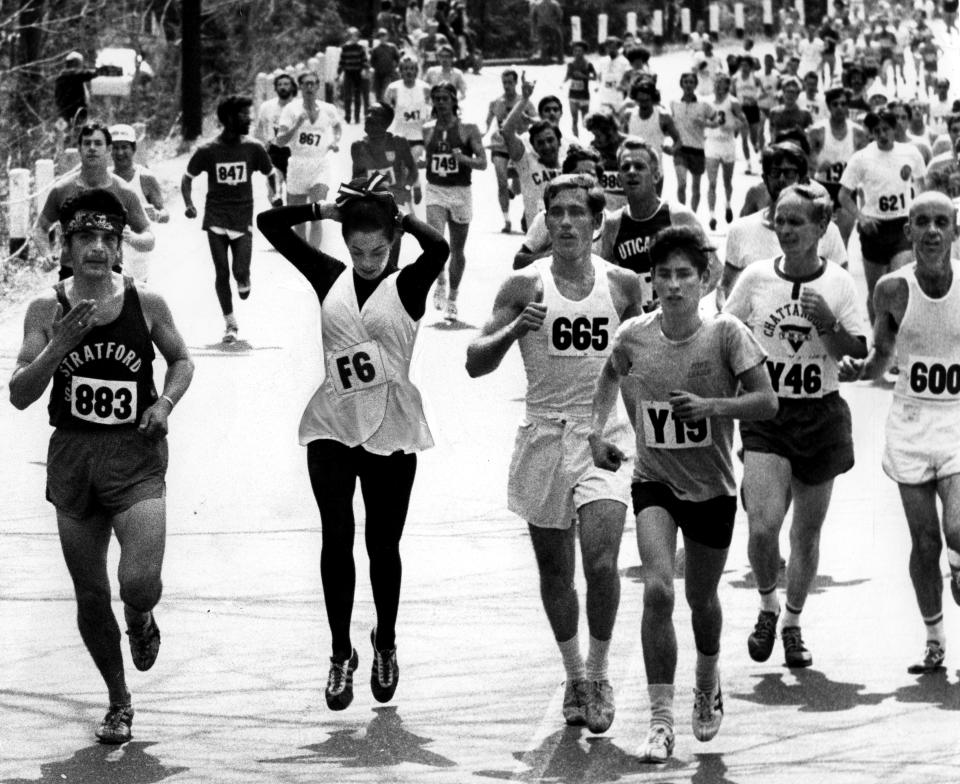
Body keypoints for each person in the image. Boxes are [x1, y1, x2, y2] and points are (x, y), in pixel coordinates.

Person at [257, 176, 450, 712]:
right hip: (333, 427)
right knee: (336, 535)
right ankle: (341, 652)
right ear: (345, 243)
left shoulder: (408, 285)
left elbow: (440, 246)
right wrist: (325, 208)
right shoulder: (330, 277)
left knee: (382, 546)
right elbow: (268, 224)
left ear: (392, 244)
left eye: (378, 250)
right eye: (358, 249)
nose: (367, 260)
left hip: (392, 430)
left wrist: (400, 214)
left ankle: (384, 641)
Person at [9, 188, 194, 744]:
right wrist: (57, 347)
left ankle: (140, 618)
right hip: (75, 459)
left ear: (118, 248)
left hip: (135, 455)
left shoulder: (147, 302)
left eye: (106, 238)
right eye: (83, 237)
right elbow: (20, 393)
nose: (95, 247)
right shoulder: (46, 309)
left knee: (137, 582)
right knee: (90, 593)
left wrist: (163, 404)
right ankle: (118, 700)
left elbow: (182, 359)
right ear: (65, 248)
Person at [591, 225, 777, 763]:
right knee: (657, 592)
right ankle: (660, 721)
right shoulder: (634, 334)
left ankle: (706, 678)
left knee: (700, 599)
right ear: (653, 281)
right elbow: (609, 375)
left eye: (684, 276)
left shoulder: (726, 334)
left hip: (712, 488)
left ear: (704, 280)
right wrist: (597, 432)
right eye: (664, 275)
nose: (673, 286)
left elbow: (767, 403)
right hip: (655, 482)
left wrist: (712, 407)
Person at [466, 174, 643, 736]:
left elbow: (638, 367)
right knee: (556, 574)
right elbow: (475, 359)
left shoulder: (622, 285)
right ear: (545, 222)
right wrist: (516, 327)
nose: (566, 223)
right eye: (556, 213)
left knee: (600, 562)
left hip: (604, 433)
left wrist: (651, 441)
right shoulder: (524, 284)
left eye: (577, 214)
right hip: (544, 434)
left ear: (596, 223)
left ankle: (599, 672)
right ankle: (573, 674)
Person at [724, 181, 868, 671]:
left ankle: (792, 622)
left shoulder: (838, 284)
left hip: (820, 413)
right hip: (768, 412)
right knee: (763, 528)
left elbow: (859, 350)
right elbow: (727, 333)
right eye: (779, 220)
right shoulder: (756, 277)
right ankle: (767, 605)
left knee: (805, 534)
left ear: (821, 228)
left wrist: (827, 325)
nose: (785, 230)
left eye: (797, 222)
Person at [839, 191, 960, 674]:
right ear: (908, 231)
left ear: (954, 231)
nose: (932, 231)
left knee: (957, 528)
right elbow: (881, 359)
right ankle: (934, 639)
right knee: (925, 541)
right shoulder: (891, 288)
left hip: (956, 418)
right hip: (910, 422)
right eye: (922, 222)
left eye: (942, 223)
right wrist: (856, 369)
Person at [182, 95, 277, 343]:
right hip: (215, 216)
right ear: (228, 118)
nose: (248, 119)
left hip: (242, 217)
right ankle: (230, 323)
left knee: (240, 272)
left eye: (249, 115)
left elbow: (270, 173)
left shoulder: (253, 147)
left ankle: (244, 278)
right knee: (221, 271)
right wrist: (189, 204)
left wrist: (274, 195)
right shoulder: (208, 150)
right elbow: (187, 178)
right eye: (244, 115)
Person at [597, 137, 718, 312]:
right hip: (636, 324)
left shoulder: (678, 216)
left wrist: (685, 297)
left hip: (676, 319)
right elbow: (605, 278)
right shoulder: (613, 224)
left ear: (656, 176)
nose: (632, 172)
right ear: (619, 178)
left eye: (639, 166)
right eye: (625, 167)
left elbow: (715, 268)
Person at [722, 142, 848, 299]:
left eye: (789, 173)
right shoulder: (740, 230)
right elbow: (726, 287)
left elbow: (843, 290)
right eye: (775, 172)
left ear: (803, 180)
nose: (781, 179)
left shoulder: (826, 231)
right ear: (765, 178)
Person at [839, 109, 927, 323]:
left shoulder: (911, 153)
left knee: (899, 282)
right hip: (874, 227)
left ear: (894, 127)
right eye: (876, 130)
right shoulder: (861, 158)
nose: (882, 134)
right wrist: (861, 218)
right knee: (877, 289)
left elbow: (922, 188)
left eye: (886, 129)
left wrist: (918, 218)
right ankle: (877, 342)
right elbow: (843, 195)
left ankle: (898, 338)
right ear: (871, 133)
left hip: (901, 225)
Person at [37, 123, 154, 280]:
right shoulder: (62, 189)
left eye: (98, 143)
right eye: (87, 143)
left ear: (108, 149)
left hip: (110, 275)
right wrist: (46, 254)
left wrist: (133, 238)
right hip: (71, 275)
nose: (92, 148)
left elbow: (149, 237)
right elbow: (40, 228)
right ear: (79, 148)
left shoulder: (124, 191)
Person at [423, 82, 487, 321]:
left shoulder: (468, 129)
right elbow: (424, 159)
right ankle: (440, 280)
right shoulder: (427, 129)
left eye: (444, 98)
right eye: (436, 98)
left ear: (453, 101)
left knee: (457, 249)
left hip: (460, 191)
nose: (440, 103)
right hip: (436, 190)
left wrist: (463, 159)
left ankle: (452, 297)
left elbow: (482, 163)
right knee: (436, 242)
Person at [275, 72, 342, 247]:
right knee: (298, 217)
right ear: (300, 87)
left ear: (318, 86)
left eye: (313, 84)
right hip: (297, 164)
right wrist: (296, 124)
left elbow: (337, 127)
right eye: (306, 84)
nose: (310, 87)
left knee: (316, 213)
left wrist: (335, 141)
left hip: (319, 164)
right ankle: (303, 254)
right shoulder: (291, 110)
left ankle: (315, 257)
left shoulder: (329, 109)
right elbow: (280, 140)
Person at [351, 103, 420, 269]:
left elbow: (413, 169)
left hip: (394, 201)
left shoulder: (399, 143)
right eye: (367, 112)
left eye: (374, 114)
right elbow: (356, 177)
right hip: (370, 203)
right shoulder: (358, 146)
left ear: (385, 122)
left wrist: (409, 187)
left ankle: (392, 273)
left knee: (393, 239)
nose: (368, 117)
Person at [513, 145, 603, 269]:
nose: (582, 179)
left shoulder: (609, 220)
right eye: (577, 174)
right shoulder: (549, 217)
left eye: (590, 174)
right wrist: (553, 255)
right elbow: (519, 261)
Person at [807, 86, 869, 246]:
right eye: (835, 104)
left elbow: (866, 167)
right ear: (829, 107)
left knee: (843, 239)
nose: (840, 108)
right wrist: (818, 167)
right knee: (819, 237)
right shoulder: (817, 131)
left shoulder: (858, 133)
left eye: (843, 104)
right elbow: (807, 165)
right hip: (823, 187)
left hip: (847, 190)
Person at [109, 124, 169, 282]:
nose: (120, 153)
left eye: (124, 147)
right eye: (115, 147)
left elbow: (165, 214)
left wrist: (156, 215)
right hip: (113, 250)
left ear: (133, 149)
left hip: (140, 250)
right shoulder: (105, 179)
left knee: (140, 298)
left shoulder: (145, 178)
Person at [501, 75, 562, 231]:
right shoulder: (527, 161)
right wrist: (524, 99)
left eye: (550, 140)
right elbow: (507, 131)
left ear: (559, 141)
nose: (547, 146)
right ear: (533, 145)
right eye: (540, 143)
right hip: (538, 236)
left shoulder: (570, 155)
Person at [485, 70, 537, 234]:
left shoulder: (525, 102)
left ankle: (513, 192)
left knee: (521, 185)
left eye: (510, 82)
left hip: (518, 147)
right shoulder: (495, 103)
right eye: (504, 82)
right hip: (500, 146)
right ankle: (506, 220)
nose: (507, 85)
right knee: (501, 181)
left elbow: (537, 121)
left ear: (516, 83)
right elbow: (486, 125)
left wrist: (528, 120)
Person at [620, 79, 682, 196]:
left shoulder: (663, 116)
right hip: (632, 169)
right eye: (640, 100)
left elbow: (678, 141)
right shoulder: (628, 115)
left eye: (647, 100)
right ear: (636, 99)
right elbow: (622, 141)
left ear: (653, 99)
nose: (643, 104)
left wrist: (672, 150)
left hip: (654, 170)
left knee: (654, 209)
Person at [670, 72, 718, 214]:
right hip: (680, 149)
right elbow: (669, 124)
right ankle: (682, 215)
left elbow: (718, 120)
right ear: (681, 84)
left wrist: (705, 123)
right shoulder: (674, 103)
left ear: (696, 85)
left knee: (695, 188)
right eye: (686, 82)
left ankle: (693, 215)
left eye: (691, 82)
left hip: (697, 149)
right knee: (681, 184)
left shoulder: (703, 104)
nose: (688, 85)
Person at [704, 74, 746, 231]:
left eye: (721, 84)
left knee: (727, 181)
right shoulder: (707, 101)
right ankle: (712, 215)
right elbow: (702, 120)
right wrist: (709, 124)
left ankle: (728, 205)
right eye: (716, 83)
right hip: (712, 144)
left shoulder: (732, 102)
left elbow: (743, 121)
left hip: (727, 144)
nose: (717, 87)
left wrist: (732, 126)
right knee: (712, 183)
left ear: (727, 86)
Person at [254, 73, 297, 205]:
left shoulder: (299, 107)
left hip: (294, 153)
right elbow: (258, 129)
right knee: (274, 193)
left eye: (286, 84)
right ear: (275, 88)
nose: (283, 87)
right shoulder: (266, 107)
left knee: (294, 195)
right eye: (279, 85)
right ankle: (277, 220)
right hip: (274, 152)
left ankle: (292, 221)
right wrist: (262, 145)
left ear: (292, 87)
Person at [385, 57, 432, 169]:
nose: (409, 71)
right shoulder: (393, 88)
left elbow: (430, 113)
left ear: (416, 70)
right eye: (405, 68)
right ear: (400, 71)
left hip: (418, 137)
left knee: (410, 167)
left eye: (412, 68)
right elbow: (385, 112)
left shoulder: (425, 88)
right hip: (399, 135)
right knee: (400, 170)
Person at [585, 112, 628, 212]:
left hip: (628, 202)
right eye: (593, 135)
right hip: (606, 205)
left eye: (598, 135)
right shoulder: (594, 148)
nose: (595, 139)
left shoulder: (628, 145)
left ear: (609, 131)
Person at [731, 56, 764, 174]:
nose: (744, 68)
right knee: (744, 137)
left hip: (753, 108)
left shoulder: (755, 78)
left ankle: (756, 145)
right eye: (742, 65)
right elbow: (731, 94)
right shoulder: (735, 79)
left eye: (747, 65)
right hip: (741, 109)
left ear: (751, 67)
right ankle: (748, 164)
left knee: (753, 137)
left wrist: (755, 98)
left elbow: (762, 92)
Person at [54, 51, 99, 129]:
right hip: (76, 113)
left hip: (64, 113)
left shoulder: (61, 77)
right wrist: (100, 71)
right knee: (77, 133)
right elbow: (88, 74)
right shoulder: (73, 76)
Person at [564, 41, 596, 136]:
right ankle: (576, 141)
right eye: (575, 51)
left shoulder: (588, 64)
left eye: (579, 51)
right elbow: (567, 76)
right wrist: (561, 84)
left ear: (584, 52)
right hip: (573, 95)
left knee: (586, 122)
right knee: (574, 120)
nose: (577, 53)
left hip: (584, 96)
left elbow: (595, 77)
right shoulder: (570, 64)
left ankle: (591, 140)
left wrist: (583, 76)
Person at [339, 28, 369, 125]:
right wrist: (339, 73)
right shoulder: (345, 48)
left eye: (356, 36)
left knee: (357, 96)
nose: (354, 38)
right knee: (347, 96)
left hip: (358, 73)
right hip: (348, 73)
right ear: (349, 36)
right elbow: (342, 62)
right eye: (352, 36)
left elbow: (364, 60)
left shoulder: (360, 48)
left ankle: (357, 117)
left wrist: (364, 69)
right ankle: (347, 117)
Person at [370, 29, 401, 103]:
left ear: (387, 37)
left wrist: (395, 67)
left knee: (385, 92)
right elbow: (372, 62)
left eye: (384, 36)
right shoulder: (376, 49)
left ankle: (386, 109)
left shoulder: (392, 47)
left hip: (389, 74)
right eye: (380, 36)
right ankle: (379, 110)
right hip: (378, 74)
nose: (382, 38)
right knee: (378, 94)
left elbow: (398, 58)